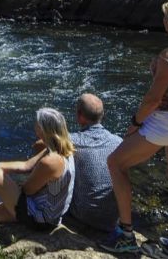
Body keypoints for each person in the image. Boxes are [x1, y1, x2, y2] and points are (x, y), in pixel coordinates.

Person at [100, 0, 168, 258]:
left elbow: (153, 99)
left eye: (166, 18)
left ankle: (126, 236)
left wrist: (135, 124)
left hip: (164, 124)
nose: (163, 22)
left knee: (116, 163)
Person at [0, 107, 76, 229]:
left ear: (41, 129)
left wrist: (0, 180)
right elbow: (26, 165)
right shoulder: (60, 147)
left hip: (40, 219)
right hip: (48, 214)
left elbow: (27, 190)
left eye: (36, 124)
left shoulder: (51, 161)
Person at [66, 94, 123, 233]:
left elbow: (42, 143)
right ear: (102, 115)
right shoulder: (119, 142)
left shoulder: (71, 141)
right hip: (113, 219)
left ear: (79, 116)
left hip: (84, 216)